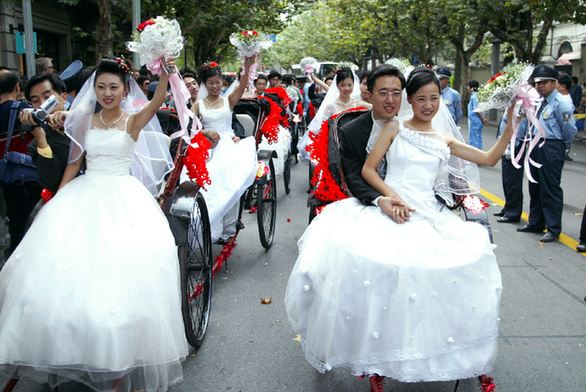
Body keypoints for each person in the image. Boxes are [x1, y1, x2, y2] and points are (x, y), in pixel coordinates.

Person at [285, 67, 508, 391]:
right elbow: (366, 172)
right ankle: (378, 357)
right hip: (389, 207)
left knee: (469, 261)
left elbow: (488, 158)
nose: (428, 105)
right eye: (421, 99)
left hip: (429, 213)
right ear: (405, 100)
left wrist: (512, 122)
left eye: (434, 98)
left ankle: (451, 353)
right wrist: (389, 199)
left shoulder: (442, 138)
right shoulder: (391, 128)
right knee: (381, 265)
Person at [0, 57, 187, 391]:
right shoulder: (84, 119)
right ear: (93, 89)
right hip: (85, 194)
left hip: (124, 199)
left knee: (118, 274)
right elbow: (74, 162)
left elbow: (160, 99)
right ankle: (66, 344)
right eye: (101, 87)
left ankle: (116, 352)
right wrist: (56, 199)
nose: (106, 93)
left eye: (113, 87)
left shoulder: (133, 121)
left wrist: (166, 66)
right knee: (65, 274)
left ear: (125, 88)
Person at [183, 60, 257, 244]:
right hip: (206, 147)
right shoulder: (199, 104)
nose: (215, 86)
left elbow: (242, 85)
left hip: (228, 147)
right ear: (204, 84)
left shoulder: (228, 100)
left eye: (218, 82)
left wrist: (247, 67)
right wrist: (205, 132)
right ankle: (206, 224)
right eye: (210, 83)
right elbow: (188, 128)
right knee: (206, 182)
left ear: (222, 82)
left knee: (228, 179)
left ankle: (228, 227)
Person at [516, 65, 577, 243]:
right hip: (536, 144)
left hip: (551, 146)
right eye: (538, 83)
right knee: (535, 185)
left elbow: (569, 130)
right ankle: (536, 222)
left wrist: (562, 147)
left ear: (554, 82)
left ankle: (553, 227)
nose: (540, 86)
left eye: (544, 82)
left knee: (550, 188)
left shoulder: (561, 103)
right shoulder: (541, 101)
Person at [338, 64, 405, 215]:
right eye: (383, 93)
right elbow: (354, 177)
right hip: (371, 204)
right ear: (370, 95)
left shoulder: (411, 129)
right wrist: (379, 200)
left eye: (396, 93)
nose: (390, 100)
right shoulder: (351, 132)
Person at [0, 68, 40, 253]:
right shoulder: (20, 110)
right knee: (29, 227)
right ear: (17, 87)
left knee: (13, 226)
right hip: (26, 178)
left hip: (4, 179)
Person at [298, 67, 371, 161]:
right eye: (343, 85)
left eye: (350, 85)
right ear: (337, 85)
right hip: (335, 149)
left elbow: (378, 109)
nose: (347, 88)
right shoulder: (330, 106)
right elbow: (319, 129)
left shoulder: (360, 104)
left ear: (354, 85)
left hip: (356, 148)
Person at [20, 72, 71, 194]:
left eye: (47, 98)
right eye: (35, 101)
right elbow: (51, 183)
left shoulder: (86, 119)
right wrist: (41, 139)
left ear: (63, 97)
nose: (42, 104)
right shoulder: (37, 144)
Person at [494, 112, 525, 223]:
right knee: (507, 180)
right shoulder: (511, 104)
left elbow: (519, 126)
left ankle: (513, 212)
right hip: (507, 144)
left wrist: (511, 146)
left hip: (513, 146)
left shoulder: (519, 106)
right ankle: (508, 208)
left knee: (513, 181)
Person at [467, 80, 488, 149]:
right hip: (478, 121)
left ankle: (475, 155)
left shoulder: (474, 97)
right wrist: (483, 118)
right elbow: (484, 108)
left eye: (468, 86)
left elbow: (477, 110)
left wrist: (482, 118)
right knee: (478, 137)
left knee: (474, 139)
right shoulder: (480, 96)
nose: (467, 88)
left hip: (474, 120)